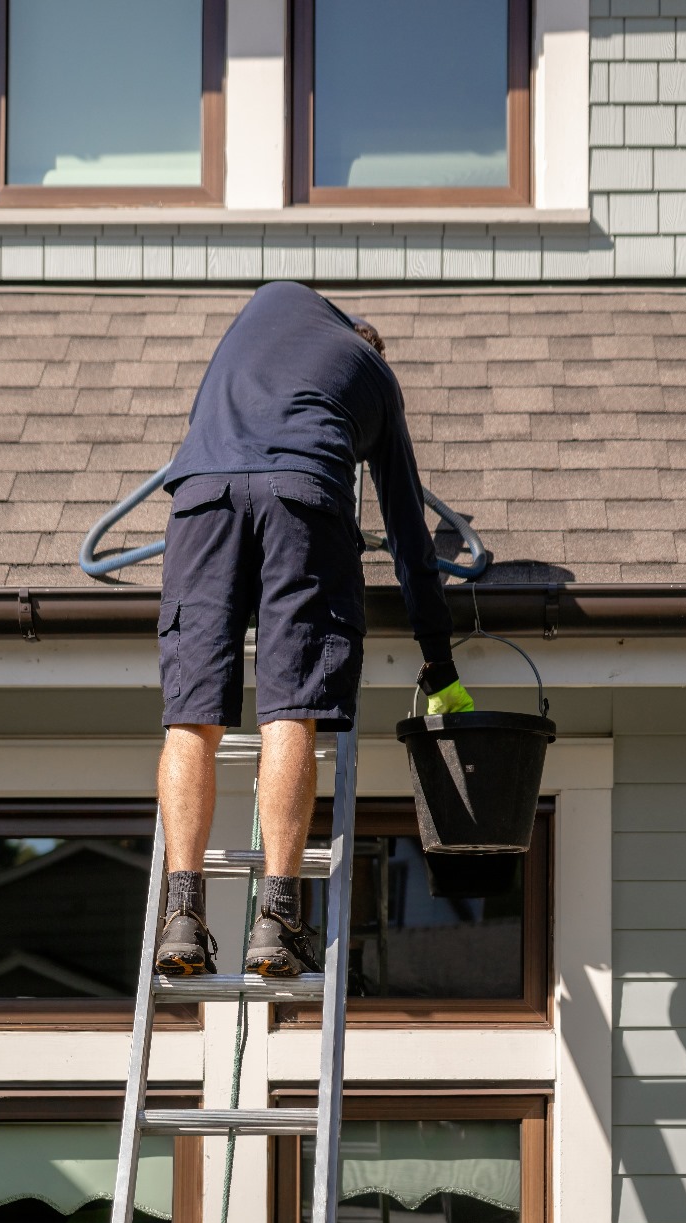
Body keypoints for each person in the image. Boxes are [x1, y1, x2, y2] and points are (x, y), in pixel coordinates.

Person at [154, 282, 474, 980]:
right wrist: (439, 664)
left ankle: (181, 913)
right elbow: (410, 542)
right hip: (304, 497)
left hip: (200, 496)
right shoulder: (375, 378)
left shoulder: (266, 311)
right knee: (289, 706)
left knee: (191, 716)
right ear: (369, 345)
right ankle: (277, 919)